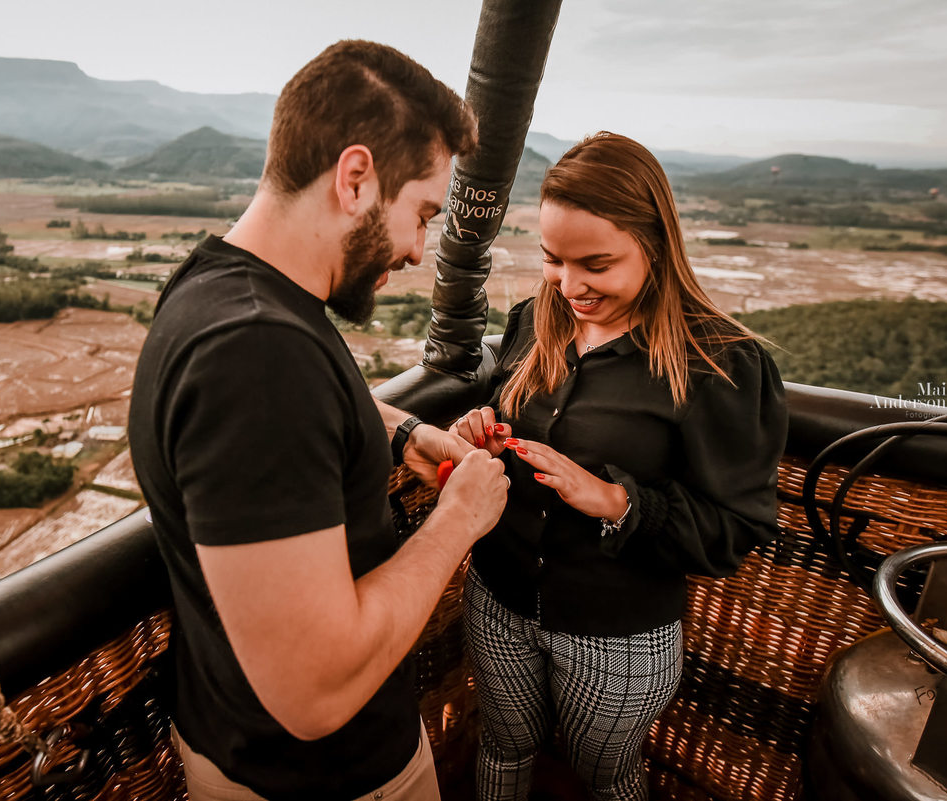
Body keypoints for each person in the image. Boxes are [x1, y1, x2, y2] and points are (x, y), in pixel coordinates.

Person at [128, 40, 510, 801]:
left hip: (244, 747)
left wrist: (402, 435)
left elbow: (306, 413)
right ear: (356, 177)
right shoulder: (256, 354)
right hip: (324, 778)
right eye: (422, 214)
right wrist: (459, 519)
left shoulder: (223, 292)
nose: (415, 249)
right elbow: (315, 689)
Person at [452, 132, 788, 801]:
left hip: (619, 633)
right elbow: (502, 416)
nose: (569, 284)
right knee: (503, 743)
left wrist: (616, 501)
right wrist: (480, 432)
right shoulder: (532, 320)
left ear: (654, 243)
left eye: (596, 264)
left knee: (608, 774)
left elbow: (737, 529)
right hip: (498, 598)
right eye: (552, 258)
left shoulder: (718, 363)